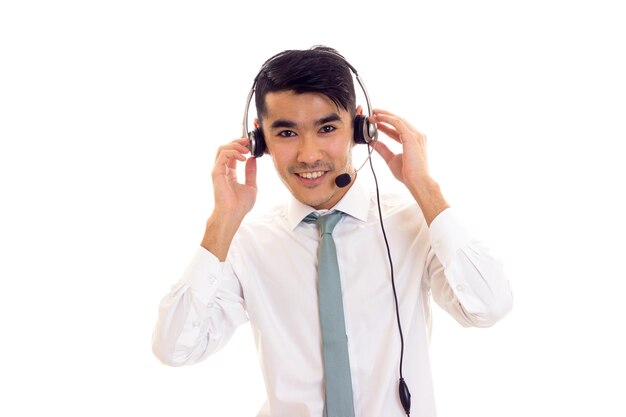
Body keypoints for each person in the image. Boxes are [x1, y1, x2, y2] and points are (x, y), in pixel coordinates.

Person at [152, 46, 513, 417]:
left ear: (360, 128)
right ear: (259, 141)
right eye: (287, 132)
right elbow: (175, 348)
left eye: (327, 128)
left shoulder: (413, 223)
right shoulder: (246, 243)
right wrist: (221, 222)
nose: (309, 155)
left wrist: (424, 187)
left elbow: (488, 307)